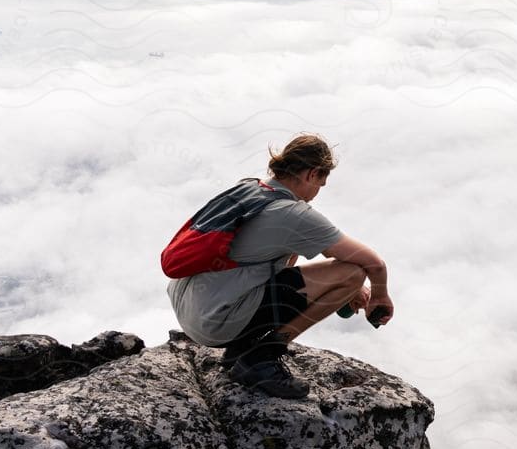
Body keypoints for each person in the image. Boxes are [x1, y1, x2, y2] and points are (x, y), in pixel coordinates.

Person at [167, 134, 393, 398]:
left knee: (317, 264)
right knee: (353, 274)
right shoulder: (294, 214)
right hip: (217, 322)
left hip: (191, 309)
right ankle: (263, 356)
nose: (317, 192)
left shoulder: (250, 188)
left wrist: (347, 291)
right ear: (311, 174)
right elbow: (373, 264)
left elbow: (274, 255)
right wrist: (379, 295)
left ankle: (242, 349)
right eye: (321, 182)